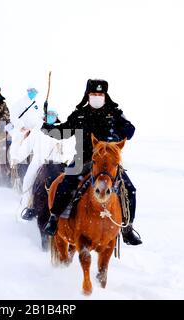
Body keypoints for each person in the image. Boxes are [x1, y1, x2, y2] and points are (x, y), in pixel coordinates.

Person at [41, 79, 142, 245]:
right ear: (87, 95)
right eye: (94, 94)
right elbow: (64, 131)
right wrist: (47, 129)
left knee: (129, 190)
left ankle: (127, 228)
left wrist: (117, 136)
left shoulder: (115, 112)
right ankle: (54, 218)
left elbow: (130, 130)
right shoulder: (79, 114)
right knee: (65, 183)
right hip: (83, 159)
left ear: (105, 95)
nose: (97, 97)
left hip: (108, 162)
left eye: (100, 94)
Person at [11, 107, 75, 221]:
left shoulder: (63, 130)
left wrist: (67, 159)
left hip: (58, 163)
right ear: (45, 116)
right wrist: (16, 158)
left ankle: (69, 207)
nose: (51, 117)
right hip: (39, 162)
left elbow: (70, 148)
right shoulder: (38, 130)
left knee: (70, 182)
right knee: (28, 180)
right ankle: (29, 205)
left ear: (56, 117)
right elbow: (27, 145)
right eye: (49, 114)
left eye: (53, 115)